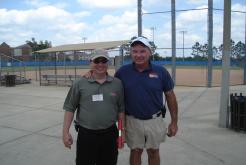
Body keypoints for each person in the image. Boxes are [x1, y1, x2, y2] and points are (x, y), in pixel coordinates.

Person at [114, 36, 178, 165]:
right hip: (132, 120)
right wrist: (91, 73)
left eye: (142, 51)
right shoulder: (122, 72)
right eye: (135, 51)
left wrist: (174, 122)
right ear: (131, 53)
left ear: (150, 52)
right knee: (135, 151)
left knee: (154, 151)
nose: (139, 55)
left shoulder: (161, 72)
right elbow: (113, 95)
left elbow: (170, 96)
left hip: (154, 120)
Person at [62, 49, 125, 165]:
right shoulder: (79, 83)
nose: (100, 64)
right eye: (97, 61)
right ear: (90, 62)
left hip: (110, 134)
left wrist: (121, 134)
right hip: (86, 135)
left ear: (108, 63)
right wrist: (65, 132)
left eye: (104, 61)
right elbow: (70, 109)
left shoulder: (117, 84)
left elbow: (121, 111)